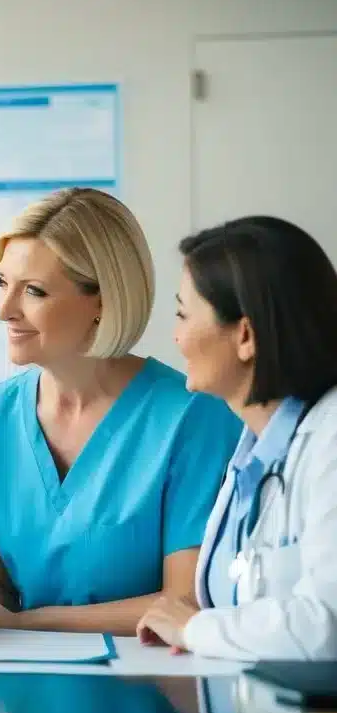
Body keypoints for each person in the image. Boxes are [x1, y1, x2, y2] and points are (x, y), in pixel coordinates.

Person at [0, 187, 241, 637]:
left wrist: (26, 622)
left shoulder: (192, 417)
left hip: (150, 686)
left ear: (102, 301)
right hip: (25, 690)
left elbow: (183, 602)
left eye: (34, 291)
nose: (4, 311)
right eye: (2, 284)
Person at [137, 216, 337, 660]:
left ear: (245, 336)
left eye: (183, 314)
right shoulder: (254, 452)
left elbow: (326, 626)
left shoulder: (330, 441)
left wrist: (196, 629)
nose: (175, 335)